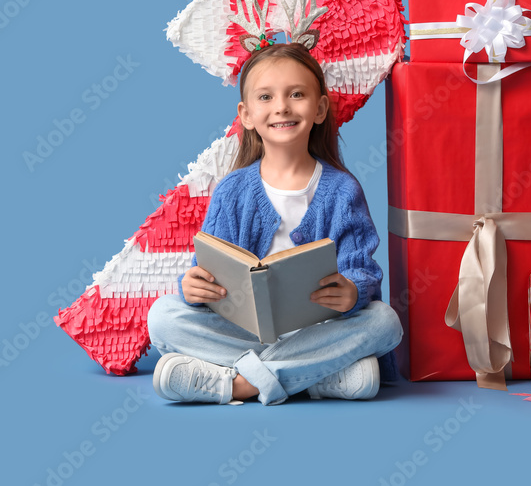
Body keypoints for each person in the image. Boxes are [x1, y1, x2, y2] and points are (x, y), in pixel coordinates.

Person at [147, 41, 402, 405]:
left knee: (384, 321)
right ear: (246, 114)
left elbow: (362, 271)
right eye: (265, 97)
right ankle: (314, 379)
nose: (281, 106)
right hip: (244, 333)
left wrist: (353, 292)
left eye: (296, 94)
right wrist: (193, 289)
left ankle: (235, 384)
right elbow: (208, 272)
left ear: (320, 108)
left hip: (320, 332)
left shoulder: (343, 191)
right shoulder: (233, 191)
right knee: (163, 316)